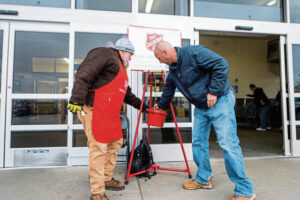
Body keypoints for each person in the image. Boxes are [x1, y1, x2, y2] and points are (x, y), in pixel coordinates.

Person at [153, 41, 255, 200]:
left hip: (220, 100)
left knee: (228, 143)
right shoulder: (173, 70)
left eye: (159, 58)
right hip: (201, 107)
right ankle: (203, 178)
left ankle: (245, 191)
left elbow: (221, 64)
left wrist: (213, 91)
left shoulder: (194, 53)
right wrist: (160, 105)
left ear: (165, 52)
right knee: (199, 142)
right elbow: (168, 90)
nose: (160, 61)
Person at [68, 37, 147, 200]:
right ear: (123, 51)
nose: (131, 58)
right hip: (93, 109)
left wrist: (144, 107)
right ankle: (97, 191)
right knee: (98, 148)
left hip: (109, 114)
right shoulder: (105, 54)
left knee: (115, 142)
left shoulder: (120, 70)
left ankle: (106, 178)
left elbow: (127, 95)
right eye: (130, 55)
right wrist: (77, 98)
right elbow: (85, 73)